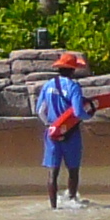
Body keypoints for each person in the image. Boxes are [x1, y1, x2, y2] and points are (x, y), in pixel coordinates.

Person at [34, 51, 94, 209]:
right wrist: (89, 116)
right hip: (71, 133)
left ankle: (53, 207)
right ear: (73, 70)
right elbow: (78, 112)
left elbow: (39, 111)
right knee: (73, 170)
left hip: (52, 133)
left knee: (53, 172)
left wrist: (50, 125)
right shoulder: (73, 86)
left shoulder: (48, 85)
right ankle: (72, 202)